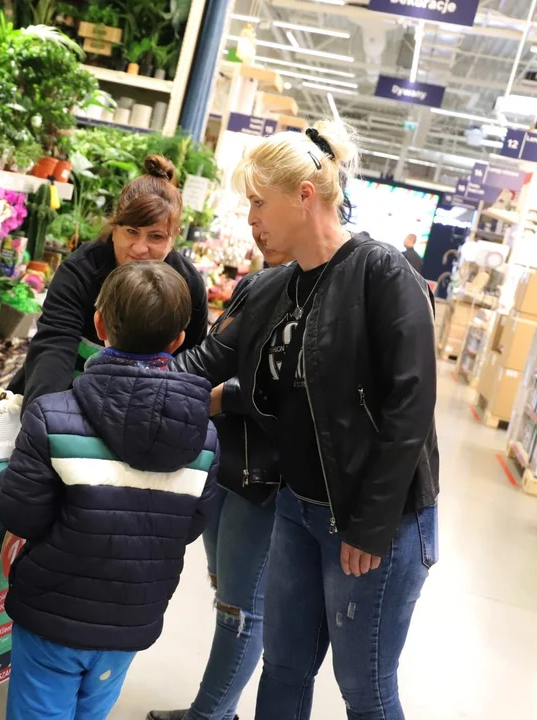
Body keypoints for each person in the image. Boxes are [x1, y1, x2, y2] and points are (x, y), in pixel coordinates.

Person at [170, 121, 439, 720]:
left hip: (376, 522)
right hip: (295, 508)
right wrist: (119, 379)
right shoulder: (271, 289)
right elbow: (208, 363)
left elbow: (410, 409)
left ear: (305, 196)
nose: (251, 219)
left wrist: (369, 524)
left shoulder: (382, 274)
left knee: (364, 686)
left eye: (259, 203)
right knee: (285, 669)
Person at [0, 261, 220, 720]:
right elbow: (192, 523)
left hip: (50, 610)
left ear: (98, 325)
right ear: (178, 340)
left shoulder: (53, 416)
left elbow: (20, 515)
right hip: (132, 617)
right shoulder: (204, 438)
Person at [148, 244, 291, 720]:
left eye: (262, 203)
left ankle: (208, 715)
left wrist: (224, 397)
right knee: (227, 590)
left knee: (240, 606)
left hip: (264, 474)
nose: (256, 222)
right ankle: (217, 711)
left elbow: (296, 384)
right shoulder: (262, 280)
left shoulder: (321, 286)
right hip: (230, 461)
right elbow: (217, 355)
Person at [7, 155, 209, 411]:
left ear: (174, 236)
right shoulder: (80, 271)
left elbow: (188, 371)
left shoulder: (188, 287)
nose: (140, 248)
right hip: (61, 406)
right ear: (115, 227)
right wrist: (45, 423)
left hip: (137, 420)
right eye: (131, 232)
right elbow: (53, 349)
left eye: (156, 236)